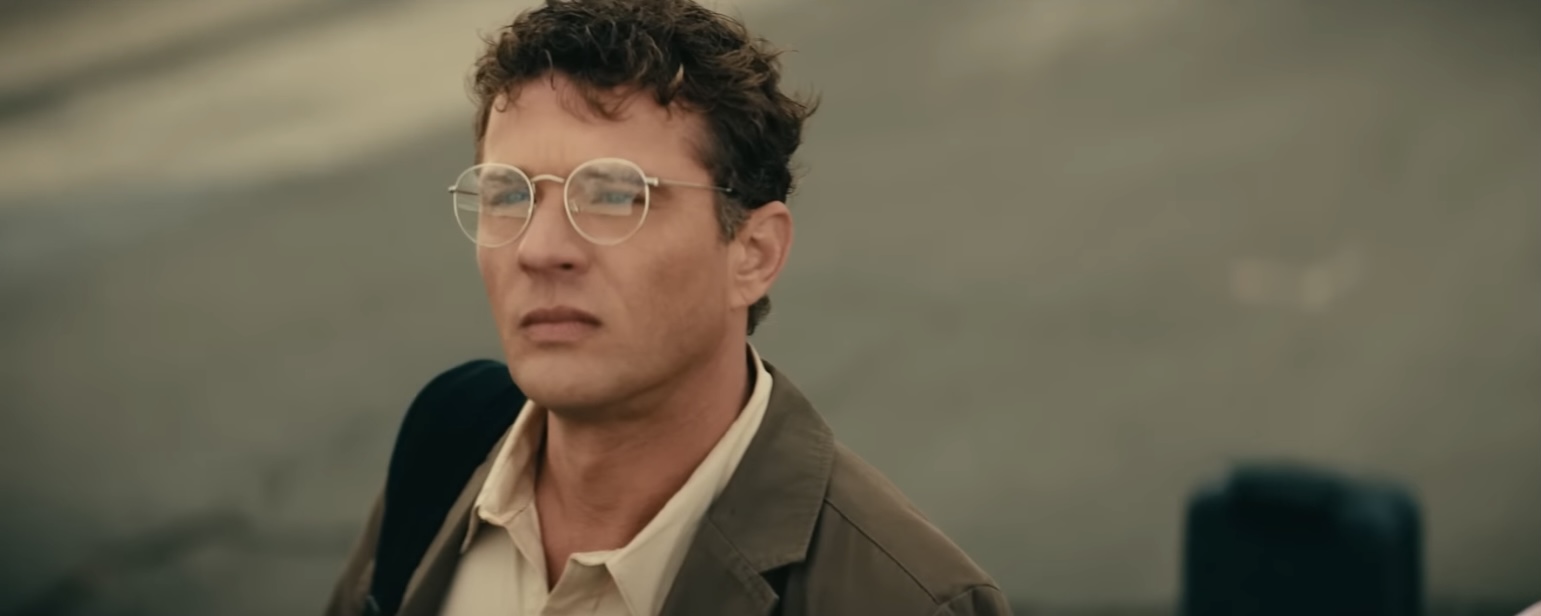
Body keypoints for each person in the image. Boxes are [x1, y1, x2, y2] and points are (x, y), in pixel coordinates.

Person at [324, 0, 1008, 614]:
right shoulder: (448, 442)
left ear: (753, 253)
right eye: (508, 194)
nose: (539, 250)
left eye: (614, 195)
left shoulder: (897, 598)